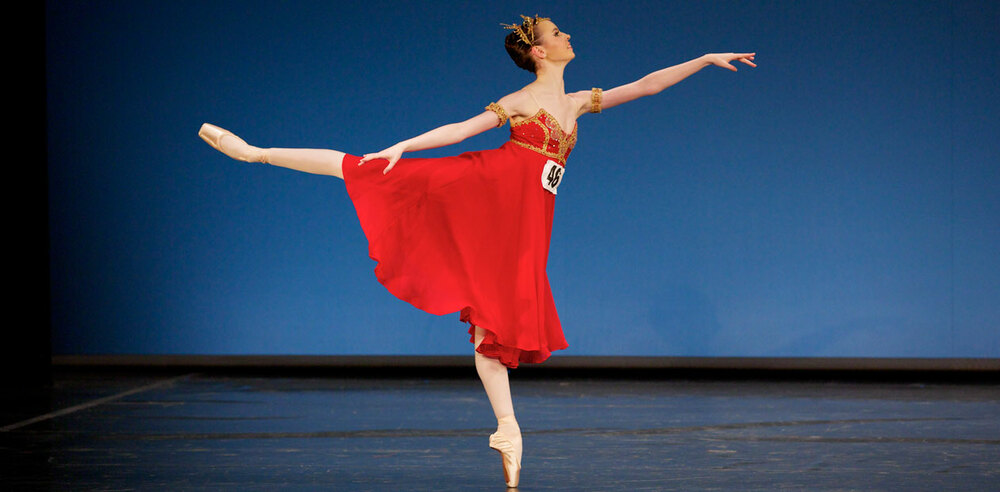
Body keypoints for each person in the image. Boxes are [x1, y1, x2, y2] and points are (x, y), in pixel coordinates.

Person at [198, 14, 755, 488]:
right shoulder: (520, 100)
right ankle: (257, 154)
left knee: (499, 316)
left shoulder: (580, 101)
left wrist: (704, 59)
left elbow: (649, 85)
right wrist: (404, 145)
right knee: (370, 168)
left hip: (527, 221)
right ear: (539, 51)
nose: (567, 35)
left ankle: (507, 429)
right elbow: (462, 129)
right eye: (557, 32)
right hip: (485, 193)